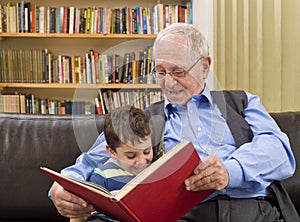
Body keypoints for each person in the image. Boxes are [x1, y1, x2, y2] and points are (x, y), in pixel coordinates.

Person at [50, 23, 297, 221]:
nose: (168, 82)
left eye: (178, 72)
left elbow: (279, 151)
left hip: (254, 210)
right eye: (160, 72)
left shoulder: (241, 102)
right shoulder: (141, 119)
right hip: (185, 215)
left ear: (204, 66)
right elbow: (89, 161)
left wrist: (229, 172)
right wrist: (61, 189)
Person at [70, 105, 153, 222]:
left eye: (147, 151)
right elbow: (79, 213)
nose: (141, 161)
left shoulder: (155, 171)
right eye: (131, 156)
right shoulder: (102, 176)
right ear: (112, 152)